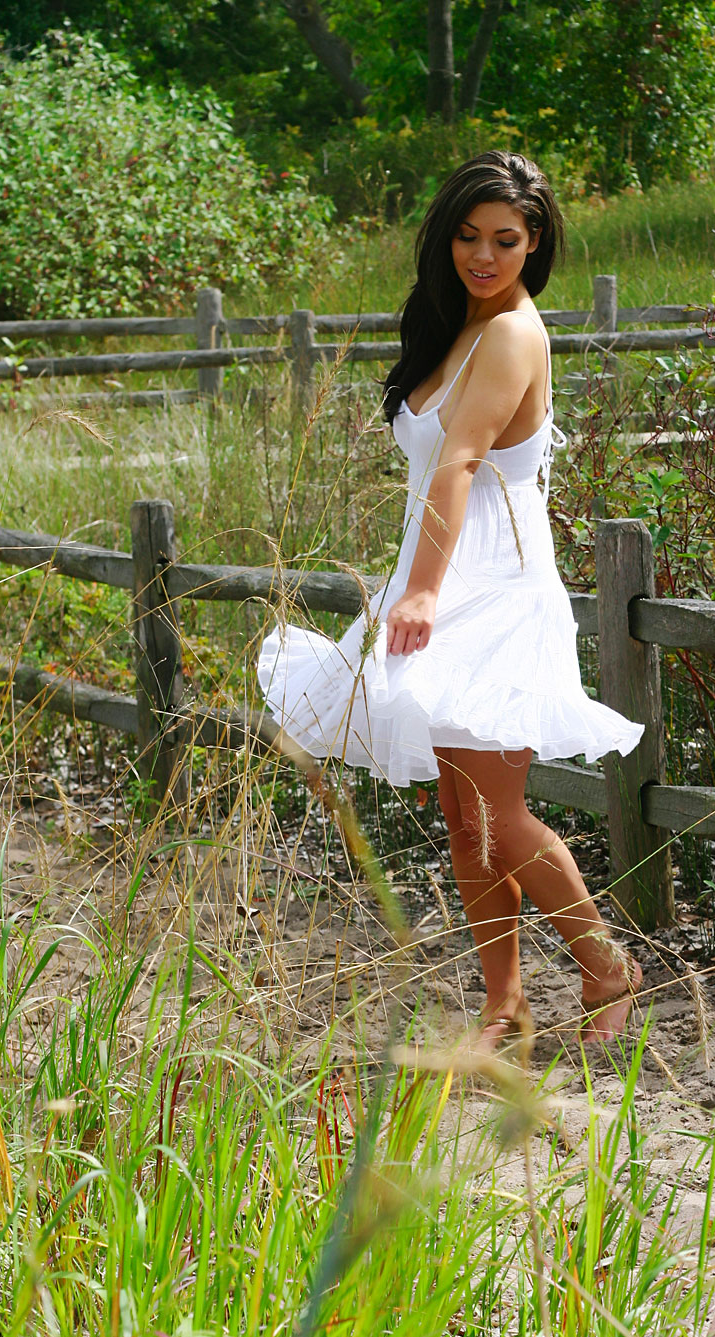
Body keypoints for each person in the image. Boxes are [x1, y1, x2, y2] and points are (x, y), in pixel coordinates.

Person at [257, 150, 645, 1043]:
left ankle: (608, 969)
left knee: (497, 812)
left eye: (505, 239)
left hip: (492, 587)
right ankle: (505, 1002)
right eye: (468, 236)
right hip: (437, 574)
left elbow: (464, 460)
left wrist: (423, 594)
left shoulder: (511, 331)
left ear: (535, 241)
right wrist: (417, 583)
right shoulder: (460, 324)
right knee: (463, 815)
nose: (483, 255)